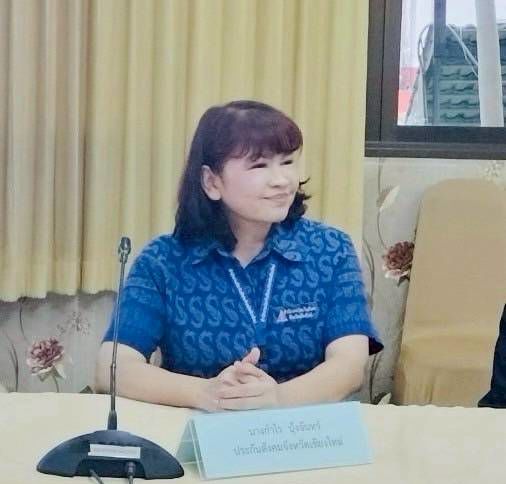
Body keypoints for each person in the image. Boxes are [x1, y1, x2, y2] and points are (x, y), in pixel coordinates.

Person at [95, 100, 383, 412]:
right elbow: (112, 367)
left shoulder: (331, 249)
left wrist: (276, 399)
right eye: (259, 166)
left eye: (287, 162)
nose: (281, 180)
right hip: (201, 425)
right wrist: (206, 393)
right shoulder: (163, 261)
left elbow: (349, 365)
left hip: (302, 426)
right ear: (212, 182)